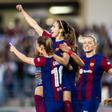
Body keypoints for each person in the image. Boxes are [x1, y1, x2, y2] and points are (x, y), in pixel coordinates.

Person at [16, 4, 84, 112]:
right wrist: (23, 11)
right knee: (38, 93)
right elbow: (34, 25)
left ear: (61, 30)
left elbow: (67, 62)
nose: (51, 29)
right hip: (49, 73)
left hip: (64, 76)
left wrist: (55, 54)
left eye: (54, 27)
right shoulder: (49, 39)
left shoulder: (65, 45)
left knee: (66, 103)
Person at [10, 36, 64, 112]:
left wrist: (14, 50)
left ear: (41, 47)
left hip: (50, 98)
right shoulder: (59, 58)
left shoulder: (42, 60)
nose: (36, 48)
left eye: (37, 46)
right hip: (60, 96)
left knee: (38, 93)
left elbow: (24, 58)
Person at [60, 34, 112, 112]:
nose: (86, 45)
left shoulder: (101, 59)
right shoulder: (79, 59)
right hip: (76, 98)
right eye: (85, 43)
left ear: (95, 45)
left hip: (92, 98)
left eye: (90, 43)